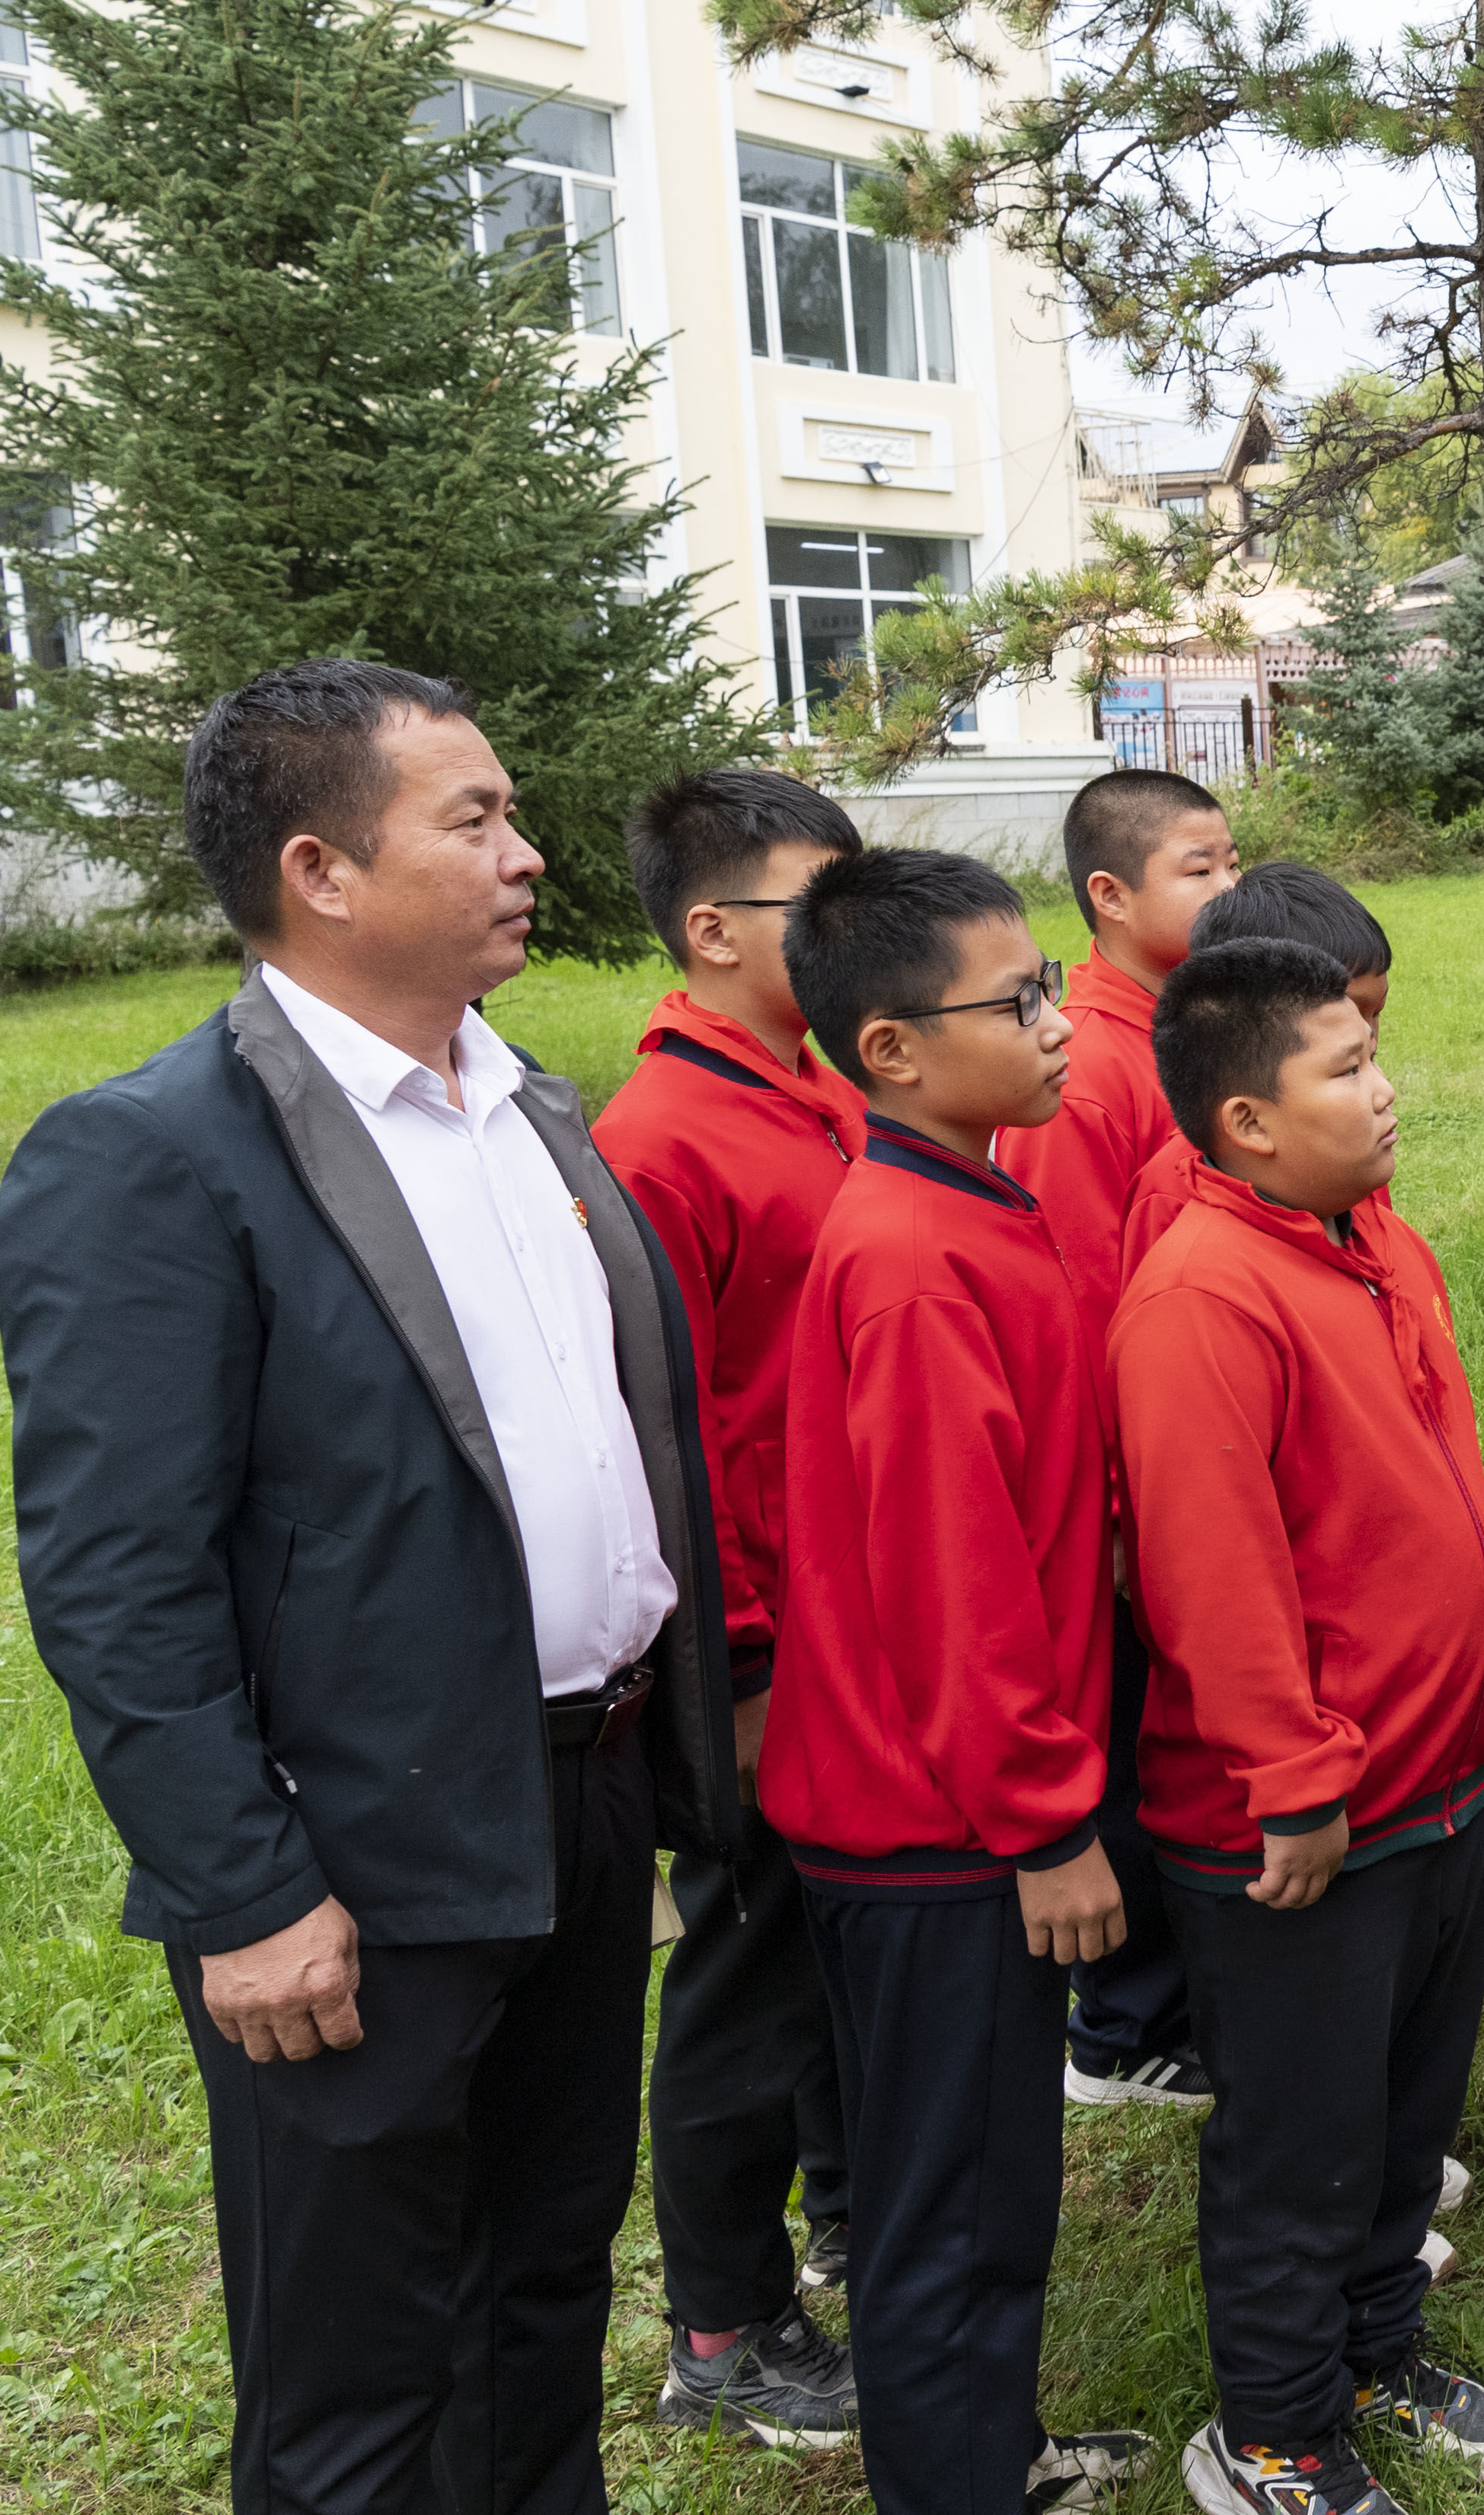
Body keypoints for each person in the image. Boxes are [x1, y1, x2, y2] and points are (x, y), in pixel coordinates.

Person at [0, 659, 737, 2515]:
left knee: (543, 2282)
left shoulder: (530, 1112)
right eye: (473, 818)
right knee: (357, 2367)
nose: (526, 851)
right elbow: (118, 1571)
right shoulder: (155, 1158)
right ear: (322, 868)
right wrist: (246, 1888)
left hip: (581, 1793)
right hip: (355, 1864)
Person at [1115, 942, 1484, 2513]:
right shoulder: (1203, 1297)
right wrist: (1293, 1780)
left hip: (1435, 1776)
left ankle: (1375, 2346)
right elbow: (1211, 1567)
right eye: (1345, 1069)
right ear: (1247, 1121)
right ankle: (1274, 2432)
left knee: (1405, 2109)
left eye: (1375, 1053)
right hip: (1303, 1824)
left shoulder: (1378, 1244)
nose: (1387, 1088)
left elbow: (1431, 1469)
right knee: (1299, 2141)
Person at [765, 848, 1154, 2514]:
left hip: (950, 1806)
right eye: (1019, 1001)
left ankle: (994, 2448)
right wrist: (1047, 1817)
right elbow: (955, 1576)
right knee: (950, 2199)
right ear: (891, 1051)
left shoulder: (973, 1198)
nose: (1060, 1024)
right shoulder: (914, 1255)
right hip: (933, 1826)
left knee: (995, 2179)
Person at [592, 768, 868, 2450]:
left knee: (826, 1945)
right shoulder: (660, 1139)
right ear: (714, 930)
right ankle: (723, 2318)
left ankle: (840, 2204)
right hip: (760, 1642)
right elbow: (670, 1437)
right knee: (745, 1965)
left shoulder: (812, 1088)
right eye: (817, 909)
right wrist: (739, 1669)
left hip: (862, 1612)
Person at [996, 767, 1237, 2113]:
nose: (1228, 886)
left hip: (1181, 1458)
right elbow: (1083, 1302)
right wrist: (1125, 1503)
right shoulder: (1087, 1071)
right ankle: (1129, 2023)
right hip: (1123, 1478)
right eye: (1197, 867)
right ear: (1109, 895)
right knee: (1135, 1733)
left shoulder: (1184, 1033)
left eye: (1230, 859)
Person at [1118, 862, 1392, 1278]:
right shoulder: (1171, 1198)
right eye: (1351, 1008)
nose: (1367, 1034)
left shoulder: (1350, 1140)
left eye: (1377, 1013)